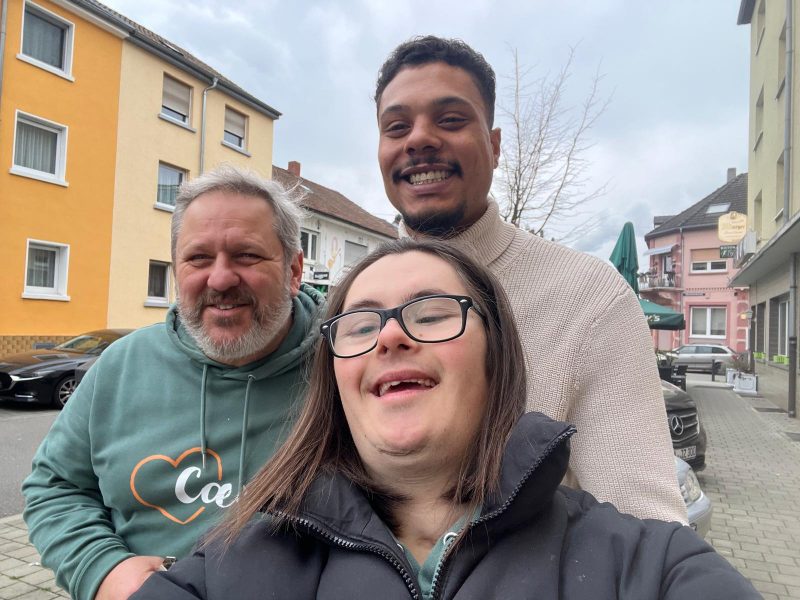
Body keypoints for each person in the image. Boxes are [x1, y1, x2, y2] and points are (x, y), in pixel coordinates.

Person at [131, 238, 758, 600]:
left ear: (497, 358)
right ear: (335, 378)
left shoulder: (645, 565)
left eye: (431, 314)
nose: (390, 336)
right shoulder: (226, 568)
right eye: (359, 324)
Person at [374, 36, 685, 522]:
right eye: (396, 127)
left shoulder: (590, 297)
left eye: (450, 119)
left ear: (495, 146)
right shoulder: (352, 312)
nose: (418, 139)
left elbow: (647, 527)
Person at [22, 165, 325, 600]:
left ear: (294, 270)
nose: (220, 279)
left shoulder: (344, 366)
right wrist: (102, 570)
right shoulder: (121, 365)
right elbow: (56, 485)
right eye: (198, 258)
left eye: (246, 255)